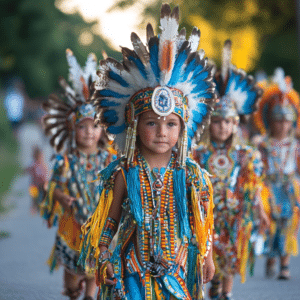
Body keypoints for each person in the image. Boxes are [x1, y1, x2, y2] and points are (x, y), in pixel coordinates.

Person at [79, 4, 216, 299]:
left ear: (183, 130)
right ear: (134, 125)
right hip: (132, 270)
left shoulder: (193, 176)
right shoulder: (124, 173)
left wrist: (209, 257)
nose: (162, 132)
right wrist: (103, 253)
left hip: (178, 270)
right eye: (152, 122)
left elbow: (201, 223)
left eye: (171, 124)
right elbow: (111, 219)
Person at [193, 40, 267, 300]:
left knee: (231, 253)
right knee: (206, 251)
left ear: (236, 124)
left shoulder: (245, 154)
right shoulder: (198, 153)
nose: (222, 127)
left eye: (227, 122)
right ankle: (211, 288)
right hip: (205, 214)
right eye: (217, 121)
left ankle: (226, 293)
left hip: (235, 214)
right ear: (209, 124)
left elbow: (252, 186)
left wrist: (260, 212)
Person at [40, 49, 114, 300]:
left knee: (93, 268)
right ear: (72, 130)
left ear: (102, 130)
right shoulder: (65, 160)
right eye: (82, 127)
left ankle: (90, 296)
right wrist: (61, 198)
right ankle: (73, 291)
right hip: (72, 224)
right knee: (73, 272)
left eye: (94, 126)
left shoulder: (109, 159)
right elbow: (53, 186)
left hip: (98, 223)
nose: (89, 132)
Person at [253, 68, 300, 280]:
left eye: (286, 120)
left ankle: (284, 264)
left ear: (293, 122)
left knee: (288, 224)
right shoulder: (263, 144)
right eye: (278, 120)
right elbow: (258, 168)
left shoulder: (296, 145)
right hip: (269, 189)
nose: (282, 124)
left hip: (289, 188)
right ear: (270, 120)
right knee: (271, 225)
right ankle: (271, 258)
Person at [26, 146, 48, 214]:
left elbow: (46, 174)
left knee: (45, 191)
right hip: (35, 184)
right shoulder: (33, 165)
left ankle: (45, 205)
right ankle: (34, 206)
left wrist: (46, 181)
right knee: (33, 195)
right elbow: (28, 169)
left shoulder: (43, 164)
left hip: (42, 183)